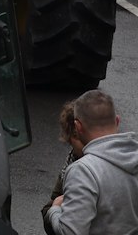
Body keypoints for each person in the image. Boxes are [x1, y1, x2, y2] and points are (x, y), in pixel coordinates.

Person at [47, 90, 138, 235]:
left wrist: (54, 210)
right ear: (117, 121)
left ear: (78, 126)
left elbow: (71, 232)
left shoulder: (82, 171)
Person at [43, 100, 90, 235]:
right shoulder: (71, 162)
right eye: (75, 136)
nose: (82, 142)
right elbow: (49, 208)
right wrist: (57, 206)